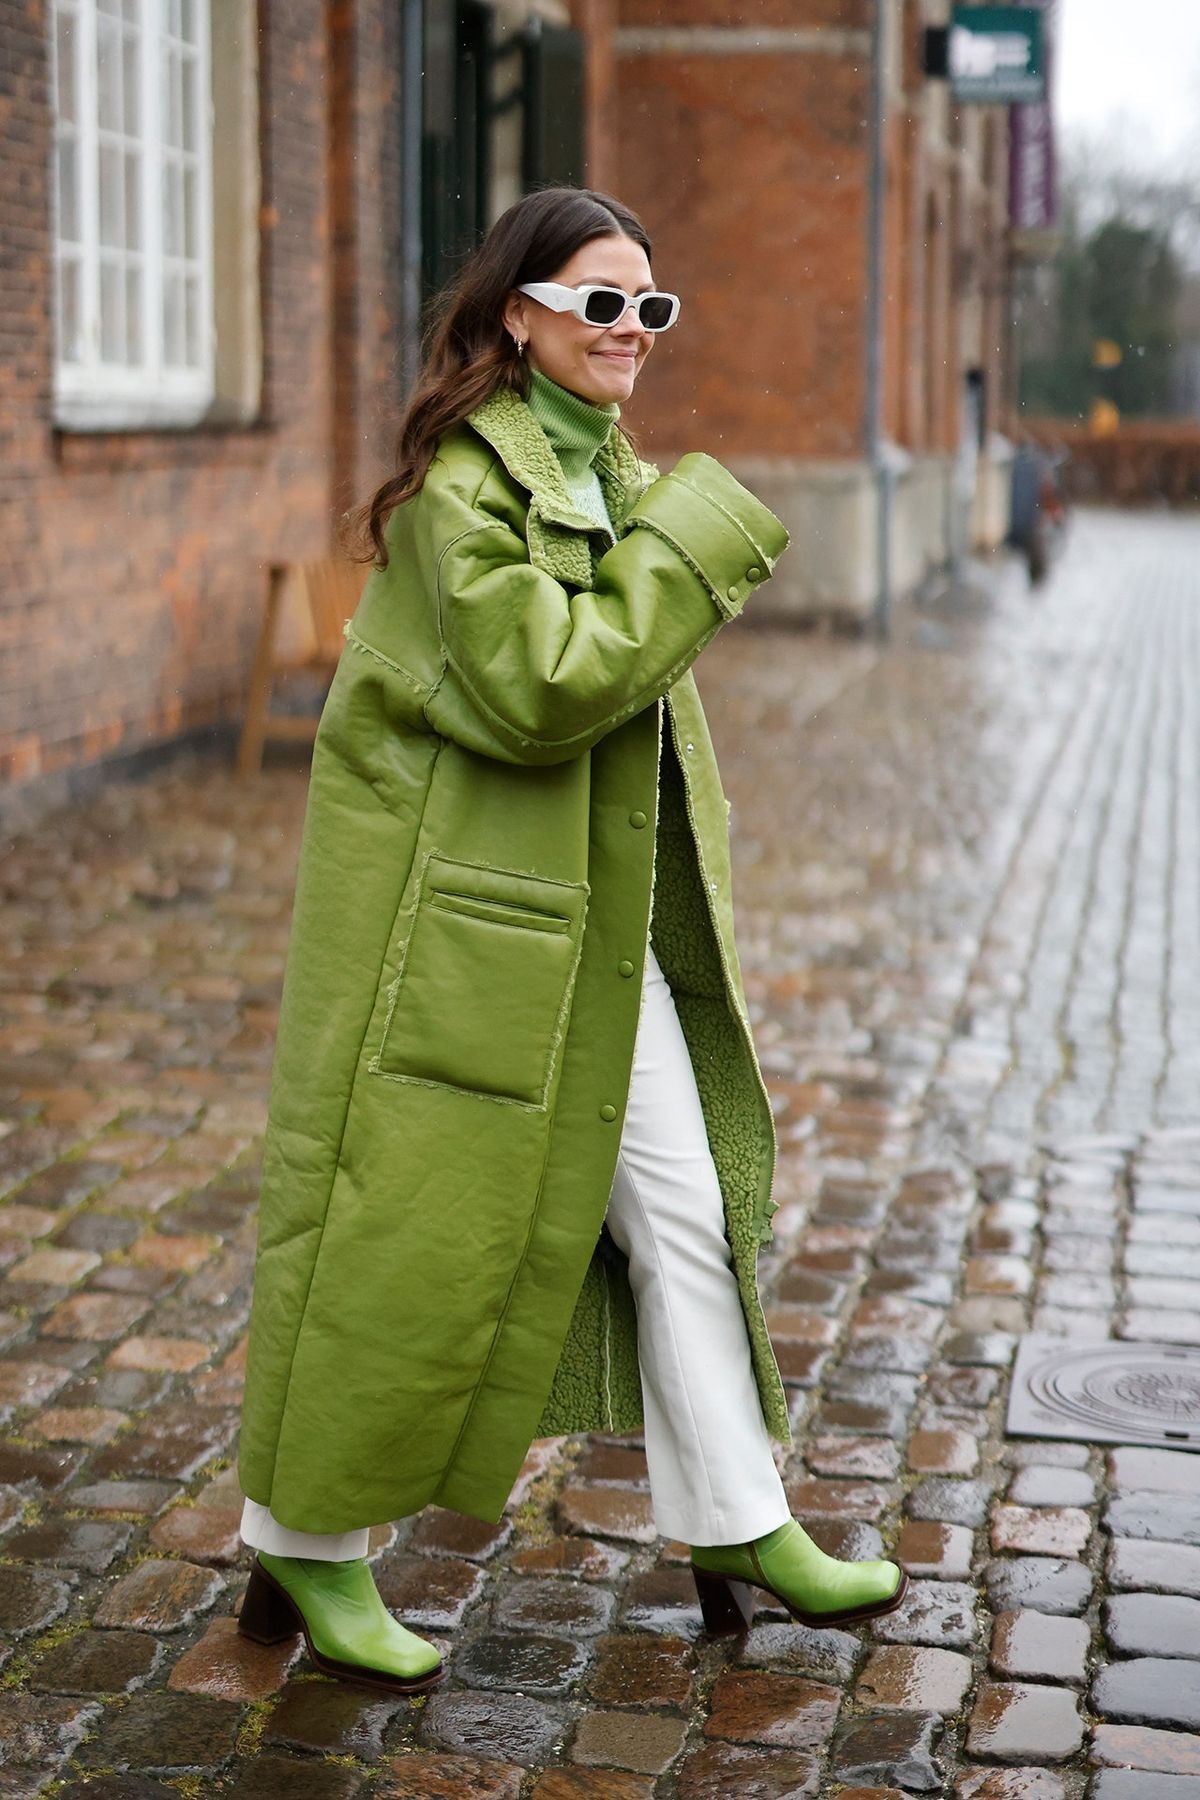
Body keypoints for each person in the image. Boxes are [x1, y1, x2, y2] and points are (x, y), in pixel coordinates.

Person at [234, 186, 907, 1693]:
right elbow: (547, 685)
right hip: (458, 939)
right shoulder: (461, 495)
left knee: (684, 1210)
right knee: (398, 1231)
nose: (632, 331)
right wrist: (698, 536)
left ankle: (741, 1518)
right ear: (518, 314)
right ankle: (303, 1540)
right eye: (602, 302)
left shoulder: (608, 471)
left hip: (594, 933)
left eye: (650, 307)